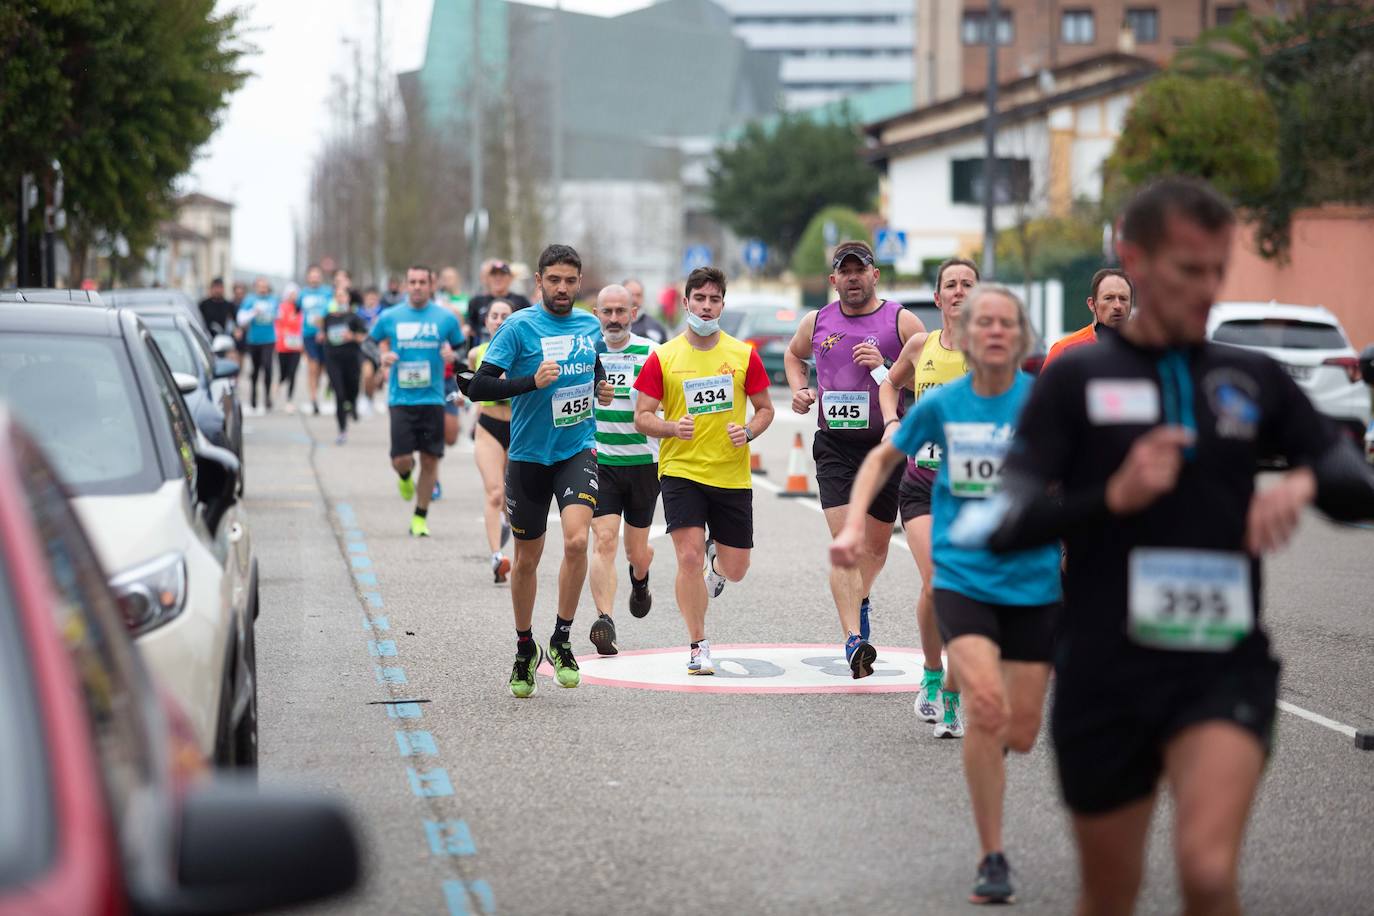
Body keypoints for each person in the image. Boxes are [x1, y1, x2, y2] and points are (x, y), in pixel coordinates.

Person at [981, 177, 1374, 915]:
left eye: (1216, 270)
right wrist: (1109, 499)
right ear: (1134, 259)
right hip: (1104, 669)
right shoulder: (1077, 379)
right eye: (1185, 270)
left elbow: (1352, 474)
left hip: (1221, 668)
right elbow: (1004, 521)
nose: (1205, 288)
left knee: (1205, 868)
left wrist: (1306, 484)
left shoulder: (1248, 377)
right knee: (1110, 893)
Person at [834, 285, 1062, 906]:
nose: (991, 331)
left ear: (1019, 338)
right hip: (964, 576)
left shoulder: (1045, 403)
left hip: (1035, 580)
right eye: (981, 321)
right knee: (986, 706)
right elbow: (885, 460)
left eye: (1003, 323)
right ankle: (992, 855)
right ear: (966, 331)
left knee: (1020, 725)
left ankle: (1006, 716)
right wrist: (855, 522)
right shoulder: (946, 404)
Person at [462, 244, 613, 698]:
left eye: (570, 280)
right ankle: (525, 646)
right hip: (527, 456)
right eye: (554, 280)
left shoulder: (589, 323)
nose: (562, 288)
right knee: (526, 559)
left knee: (577, 539)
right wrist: (531, 382)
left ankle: (562, 639)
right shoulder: (518, 327)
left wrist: (600, 385)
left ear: (579, 282)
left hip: (577, 449)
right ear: (539, 282)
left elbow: (593, 362)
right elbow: (479, 386)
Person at [784, 240, 924, 677]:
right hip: (836, 447)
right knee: (847, 542)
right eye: (844, 271)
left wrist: (884, 365)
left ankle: (860, 598)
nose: (852, 278)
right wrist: (800, 390)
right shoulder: (817, 320)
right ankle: (853, 640)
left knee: (875, 549)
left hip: (886, 445)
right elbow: (794, 355)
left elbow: (928, 380)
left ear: (875, 274)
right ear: (833, 280)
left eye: (859, 270)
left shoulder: (902, 321)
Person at [632, 266, 774, 675]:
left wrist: (747, 431)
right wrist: (670, 426)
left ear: (722, 305)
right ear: (687, 302)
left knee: (737, 568)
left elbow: (766, 408)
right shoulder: (664, 356)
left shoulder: (743, 354)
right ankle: (698, 644)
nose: (707, 306)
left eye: (714, 300)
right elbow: (642, 416)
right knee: (688, 558)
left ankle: (719, 563)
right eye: (700, 299)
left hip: (731, 474)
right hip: (681, 470)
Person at [878, 257, 979, 736]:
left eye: (968, 284)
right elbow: (889, 385)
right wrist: (894, 421)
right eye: (951, 285)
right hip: (922, 484)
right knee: (938, 583)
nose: (959, 291)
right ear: (938, 298)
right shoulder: (920, 346)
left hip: (975, 489)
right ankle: (933, 675)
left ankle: (954, 694)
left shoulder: (992, 352)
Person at [587, 284, 660, 656]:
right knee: (604, 541)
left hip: (644, 463)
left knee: (636, 550)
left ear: (633, 313)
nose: (614, 319)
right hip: (600, 460)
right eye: (607, 312)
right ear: (596, 313)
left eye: (621, 311)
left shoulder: (652, 353)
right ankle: (606, 621)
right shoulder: (586, 351)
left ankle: (641, 578)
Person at [368, 265, 466, 537]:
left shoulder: (445, 318)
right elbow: (368, 342)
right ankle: (403, 476)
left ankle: (420, 517)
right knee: (401, 459)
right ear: (406, 284)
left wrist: (453, 356)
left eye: (423, 281)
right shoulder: (391, 316)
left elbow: (462, 348)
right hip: (401, 398)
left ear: (431, 285)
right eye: (413, 281)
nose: (418, 286)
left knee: (431, 460)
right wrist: (381, 356)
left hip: (432, 398)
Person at [466, 300, 515, 583]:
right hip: (488, 427)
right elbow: (473, 388)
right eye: (494, 316)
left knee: (511, 497)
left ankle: (508, 522)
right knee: (494, 492)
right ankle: (496, 556)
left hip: (518, 429)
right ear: (486, 323)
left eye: (504, 316)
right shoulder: (476, 353)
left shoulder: (524, 350)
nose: (498, 320)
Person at [1041, 268, 1134, 370]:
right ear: (1092, 304)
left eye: (1123, 298)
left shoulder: (1145, 351)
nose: (1118, 305)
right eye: (1109, 298)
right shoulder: (1064, 350)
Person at [320, 275, 368, 444]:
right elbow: (324, 335)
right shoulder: (329, 317)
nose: (340, 298)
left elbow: (365, 337)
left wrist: (353, 336)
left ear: (348, 298)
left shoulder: (354, 317)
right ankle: (342, 431)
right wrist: (322, 336)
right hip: (333, 359)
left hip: (352, 359)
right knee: (339, 395)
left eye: (343, 296)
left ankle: (353, 404)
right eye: (337, 296)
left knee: (352, 389)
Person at [236, 277, 278, 414]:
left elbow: (280, 316)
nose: (263, 289)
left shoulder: (273, 300)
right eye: (260, 286)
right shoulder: (250, 300)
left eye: (265, 286)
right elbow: (241, 319)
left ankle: (267, 397)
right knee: (255, 369)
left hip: (269, 339)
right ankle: (253, 395)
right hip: (254, 340)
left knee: (268, 367)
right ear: (256, 287)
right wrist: (253, 312)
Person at [466, 260, 532, 344]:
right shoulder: (476, 301)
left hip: (513, 344)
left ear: (510, 278)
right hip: (483, 347)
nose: (498, 278)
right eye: (494, 275)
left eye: (502, 274)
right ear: (488, 279)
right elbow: (470, 325)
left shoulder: (521, 301)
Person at [299, 265, 333, 415]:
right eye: (312, 275)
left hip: (324, 335)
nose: (314, 278)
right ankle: (313, 399)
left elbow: (331, 311)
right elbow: (296, 310)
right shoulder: (303, 294)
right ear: (308, 277)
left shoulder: (327, 292)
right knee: (313, 366)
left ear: (320, 277)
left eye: (317, 275)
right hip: (309, 334)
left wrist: (324, 329)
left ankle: (318, 391)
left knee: (321, 368)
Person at [274, 283, 305, 413]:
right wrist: (282, 334)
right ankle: (278, 386)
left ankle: (289, 400)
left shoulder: (300, 309)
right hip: (283, 346)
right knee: (284, 373)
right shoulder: (281, 308)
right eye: (291, 294)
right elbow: (277, 324)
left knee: (293, 373)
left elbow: (303, 325)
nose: (293, 297)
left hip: (296, 346)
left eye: (295, 294)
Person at [357, 286, 385, 416]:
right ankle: (367, 399)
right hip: (364, 350)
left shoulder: (384, 313)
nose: (372, 301)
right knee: (367, 375)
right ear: (364, 299)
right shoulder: (359, 313)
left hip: (380, 350)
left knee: (377, 379)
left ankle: (370, 398)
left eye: (374, 298)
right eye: (369, 298)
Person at [624, 278, 668, 344]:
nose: (634, 299)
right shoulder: (612, 326)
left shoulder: (656, 327)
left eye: (638, 295)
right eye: (630, 294)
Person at [198, 277, 236, 341]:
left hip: (223, 340)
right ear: (211, 289)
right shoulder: (203, 304)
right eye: (215, 287)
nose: (217, 290)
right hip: (205, 339)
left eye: (220, 287)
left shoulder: (229, 305)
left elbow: (234, 323)